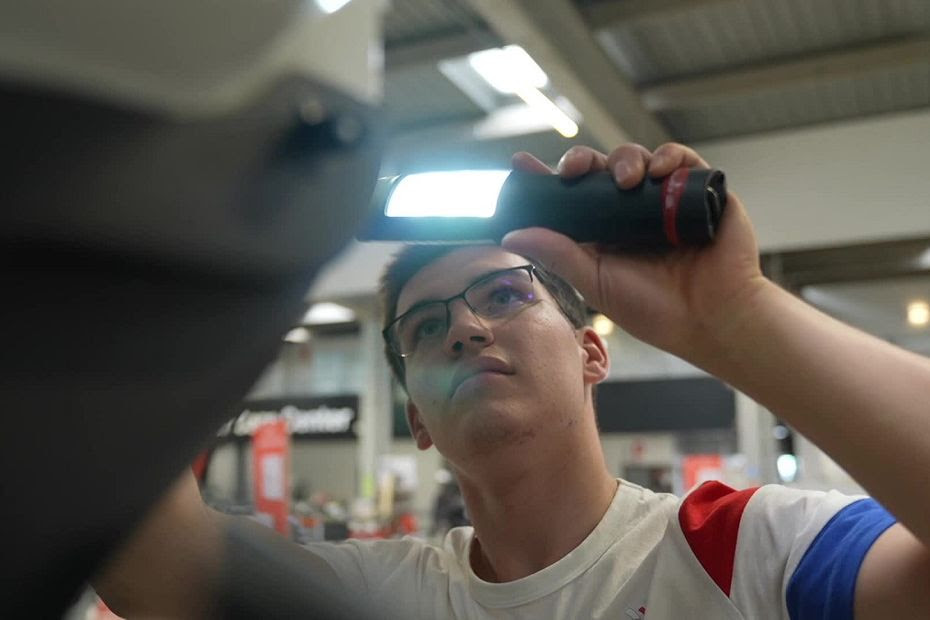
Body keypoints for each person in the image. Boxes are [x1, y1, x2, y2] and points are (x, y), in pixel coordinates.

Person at [97, 142, 930, 618]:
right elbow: (152, 566)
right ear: (417, 419)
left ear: (591, 354)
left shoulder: (748, 550)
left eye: (504, 295)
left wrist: (736, 316)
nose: (463, 325)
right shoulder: (381, 598)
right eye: (425, 328)